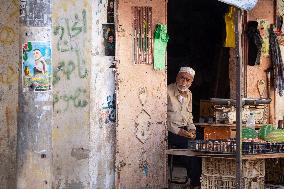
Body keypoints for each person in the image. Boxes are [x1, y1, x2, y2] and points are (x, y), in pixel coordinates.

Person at [167, 66, 201, 189]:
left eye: (188, 80)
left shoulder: (189, 94)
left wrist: (192, 129)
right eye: (182, 78)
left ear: (191, 83)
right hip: (170, 131)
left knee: (202, 143)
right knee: (189, 147)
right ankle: (195, 183)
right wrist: (179, 131)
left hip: (184, 130)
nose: (184, 82)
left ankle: (201, 178)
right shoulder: (166, 91)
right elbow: (160, 119)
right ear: (177, 77)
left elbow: (189, 116)